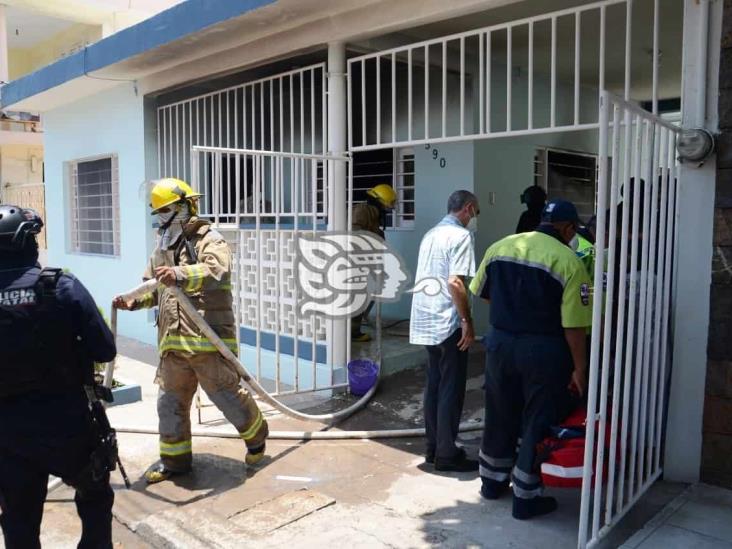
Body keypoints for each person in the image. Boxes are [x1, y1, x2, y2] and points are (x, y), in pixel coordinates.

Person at [113, 178, 269, 484]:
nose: (162, 218)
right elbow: (154, 289)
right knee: (169, 405)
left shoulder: (210, 239)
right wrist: (132, 302)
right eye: (158, 212)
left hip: (207, 339)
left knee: (227, 397)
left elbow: (216, 271)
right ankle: (175, 462)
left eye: (167, 210)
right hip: (173, 345)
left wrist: (180, 273)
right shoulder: (162, 248)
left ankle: (257, 438)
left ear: (186, 206)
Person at [0, 204, 117, 547]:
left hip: (7, 433)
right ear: (25, 243)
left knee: (19, 520)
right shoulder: (61, 285)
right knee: (95, 500)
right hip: (69, 423)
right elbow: (104, 350)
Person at [470, 199, 592, 519]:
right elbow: (574, 325)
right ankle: (526, 495)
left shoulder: (501, 246)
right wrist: (580, 368)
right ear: (566, 228)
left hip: (499, 342)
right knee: (537, 415)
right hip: (543, 349)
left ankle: (492, 482)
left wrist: (513, 307)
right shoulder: (569, 261)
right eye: (572, 231)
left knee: (499, 408)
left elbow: (482, 291)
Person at [410, 190, 479, 472]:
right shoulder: (461, 236)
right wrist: (467, 320)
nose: (475, 219)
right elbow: (456, 283)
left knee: (435, 386)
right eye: (475, 213)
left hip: (426, 319)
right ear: (469, 208)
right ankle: (447, 454)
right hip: (447, 321)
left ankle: (433, 448)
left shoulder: (431, 234)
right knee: (451, 388)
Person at [351, 183, 398, 342]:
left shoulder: (374, 215)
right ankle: (352, 332)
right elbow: (354, 235)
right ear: (381, 201)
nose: (390, 207)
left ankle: (356, 324)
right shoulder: (362, 211)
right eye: (389, 203)